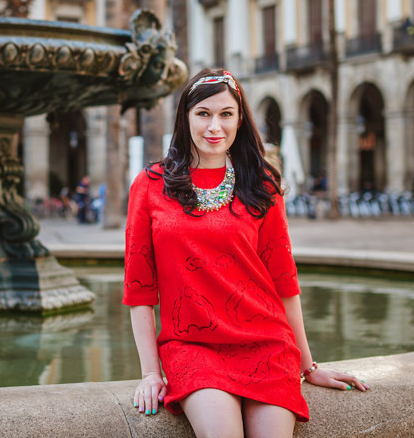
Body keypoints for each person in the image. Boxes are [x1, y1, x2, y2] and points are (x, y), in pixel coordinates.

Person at [123, 68, 368, 438]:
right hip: (193, 347)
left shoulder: (262, 182)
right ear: (185, 117)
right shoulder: (151, 185)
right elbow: (140, 289)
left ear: (239, 119)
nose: (214, 127)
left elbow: (284, 279)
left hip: (266, 344)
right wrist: (150, 373)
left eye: (225, 114)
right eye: (203, 113)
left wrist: (308, 364)